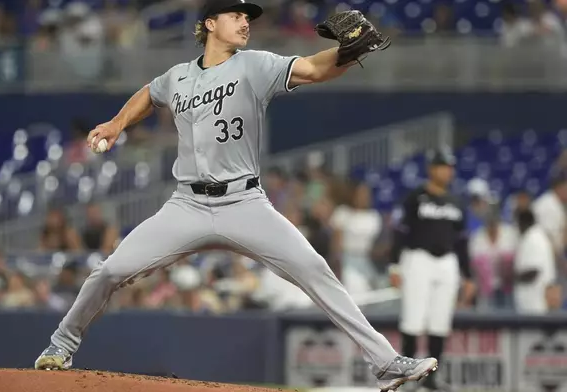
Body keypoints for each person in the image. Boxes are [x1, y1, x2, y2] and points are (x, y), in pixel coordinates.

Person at [34, 1, 438, 390]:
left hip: (244, 203)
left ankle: (385, 362)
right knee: (109, 271)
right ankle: (61, 345)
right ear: (210, 23)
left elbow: (315, 69)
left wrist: (346, 53)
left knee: (315, 269)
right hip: (186, 205)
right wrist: (117, 122)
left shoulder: (255, 65)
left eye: (248, 16)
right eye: (236, 15)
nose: (245, 22)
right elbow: (149, 92)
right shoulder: (177, 76)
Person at [388, 148, 476, 392]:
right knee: (413, 319)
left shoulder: (457, 202)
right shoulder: (416, 197)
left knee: (440, 322)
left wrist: (468, 275)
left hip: (447, 262)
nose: (447, 171)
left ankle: (433, 378)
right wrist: (394, 265)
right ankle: (408, 377)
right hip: (418, 258)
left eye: (450, 166)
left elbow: (462, 241)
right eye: (442, 166)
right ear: (431, 169)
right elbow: (400, 233)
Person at [513, 209, 559, 314]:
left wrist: (513, 277)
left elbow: (533, 271)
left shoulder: (533, 238)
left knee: (533, 329)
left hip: (535, 302)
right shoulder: (537, 235)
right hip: (534, 301)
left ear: (523, 222)